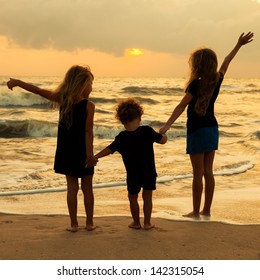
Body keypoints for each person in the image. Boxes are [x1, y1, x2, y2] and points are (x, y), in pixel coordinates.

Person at [160, 32, 254, 219]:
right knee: (208, 172)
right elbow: (227, 61)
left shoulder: (195, 85)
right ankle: (207, 210)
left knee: (197, 173)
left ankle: (195, 211)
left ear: (196, 65)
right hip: (212, 129)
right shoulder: (216, 80)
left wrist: (166, 126)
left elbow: (181, 106)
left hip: (197, 130)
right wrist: (238, 44)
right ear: (212, 64)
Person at [7, 65, 97, 232]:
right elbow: (88, 133)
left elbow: (38, 90)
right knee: (87, 188)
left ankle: (74, 224)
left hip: (66, 151)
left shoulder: (62, 99)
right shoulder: (88, 106)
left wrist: (18, 82)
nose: (92, 87)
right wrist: (89, 156)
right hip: (82, 152)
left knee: (72, 188)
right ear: (82, 84)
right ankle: (89, 223)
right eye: (90, 84)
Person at [95, 98, 167, 230]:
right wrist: (164, 134)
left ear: (122, 120)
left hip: (133, 174)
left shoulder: (122, 137)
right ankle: (147, 223)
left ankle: (136, 222)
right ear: (139, 117)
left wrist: (95, 157)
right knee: (147, 197)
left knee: (132, 197)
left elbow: (109, 149)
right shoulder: (147, 131)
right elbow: (162, 141)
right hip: (149, 172)